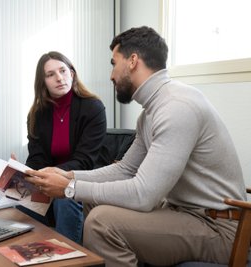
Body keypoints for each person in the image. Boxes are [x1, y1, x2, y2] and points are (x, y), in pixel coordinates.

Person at [25, 26, 246, 266]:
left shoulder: (177, 107)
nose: (111, 75)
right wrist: (67, 175)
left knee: (102, 222)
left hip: (219, 228)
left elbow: (144, 195)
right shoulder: (151, 113)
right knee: (92, 202)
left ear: (132, 61)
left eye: (113, 63)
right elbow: (124, 170)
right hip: (184, 214)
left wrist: (69, 188)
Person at [22, 51, 106, 244]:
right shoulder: (37, 114)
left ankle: (68, 259)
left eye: (63, 71)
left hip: (83, 179)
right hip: (49, 179)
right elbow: (37, 158)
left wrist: (53, 175)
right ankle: (29, 256)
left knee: (64, 199)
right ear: (42, 82)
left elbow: (85, 161)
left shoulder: (93, 107)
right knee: (23, 200)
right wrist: (24, 171)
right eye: (50, 74)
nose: (59, 78)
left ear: (72, 74)